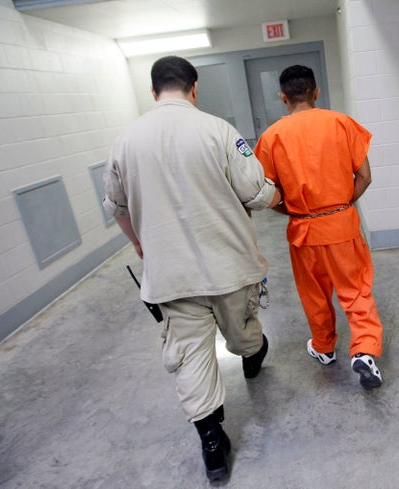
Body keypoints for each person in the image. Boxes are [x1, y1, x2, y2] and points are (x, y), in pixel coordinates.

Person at [102, 55, 281, 482]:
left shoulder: (124, 142)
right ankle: (253, 354)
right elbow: (257, 193)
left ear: (152, 91)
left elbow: (116, 206)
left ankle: (212, 441)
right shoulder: (218, 130)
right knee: (241, 332)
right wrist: (277, 194)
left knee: (191, 359)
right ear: (194, 87)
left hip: (170, 275)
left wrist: (140, 244)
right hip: (229, 265)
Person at [254, 64, 384, 390]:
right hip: (342, 226)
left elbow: (265, 194)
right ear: (316, 93)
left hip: (303, 231)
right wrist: (340, 207)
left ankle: (324, 348)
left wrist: (293, 210)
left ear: (283, 98)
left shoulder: (271, 137)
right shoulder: (341, 123)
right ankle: (365, 350)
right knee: (355, 291)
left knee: (314, 295)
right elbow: (365, 176)